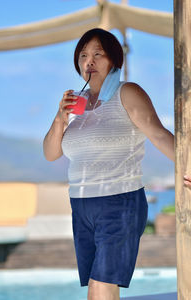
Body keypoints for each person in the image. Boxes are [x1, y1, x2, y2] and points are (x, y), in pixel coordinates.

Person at [43, 28, 187, 300]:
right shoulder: (75, 104)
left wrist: (188, 166)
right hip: (81, 204)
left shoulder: (127, 92)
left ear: (114, 60)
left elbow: (158, 133)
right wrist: (60, 117)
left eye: (98, 54)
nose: (90, 61)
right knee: (97, 287)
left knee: (101, 285)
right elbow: (51, 154)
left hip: (119, 201)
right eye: (84, 55)